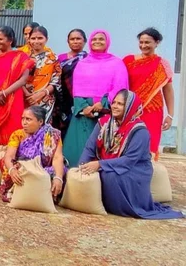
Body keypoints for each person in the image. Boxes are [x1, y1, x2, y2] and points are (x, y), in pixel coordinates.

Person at [79, 90, 183, 219]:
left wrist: (99, 164)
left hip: (135, 171)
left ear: (130, 107)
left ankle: (118, 206)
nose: (115, 106)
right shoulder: (104, 123)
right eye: (114, 102)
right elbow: (89, 148)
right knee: (85, 174)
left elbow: (129, 160)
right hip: (110, 165)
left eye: (120, 104)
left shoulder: (139, 131)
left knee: (110, 176)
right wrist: (81, 166)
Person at [63, 30, 128, 167]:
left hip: (107, 112)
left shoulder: (117, 63)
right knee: (77, 151)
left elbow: (120, 87)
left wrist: (103, 103)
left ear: (107, 42)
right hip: (83, 114)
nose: (97, 41)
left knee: (103, 149)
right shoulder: (83, 63)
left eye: (101, 39)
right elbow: (76, 89)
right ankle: (76, 176)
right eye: (94, 39)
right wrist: (84, 107)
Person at [123, 28, 175, 158]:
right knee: (128, 141)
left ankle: (147, 167)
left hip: (153, 109)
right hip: (131, 108)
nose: (143, 45)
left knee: (149, 143)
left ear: (157, 43)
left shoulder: (162, 65)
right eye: (141, 42)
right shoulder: (128, 61)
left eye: (147, 42)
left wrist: (170, 115)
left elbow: (168, 90)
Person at [0, 106, 65, 203]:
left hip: (43, 170)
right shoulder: (17, 135)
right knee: (6, 164)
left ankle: (45, 196)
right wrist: (12, 170)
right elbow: (9, 156)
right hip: (23, 170)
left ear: (40, 122)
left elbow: (57, 158)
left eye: (28, 119)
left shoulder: (52, 135)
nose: (24, 123)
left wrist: (58, 178)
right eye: (23, 119)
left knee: (59, 171)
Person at [23, 26, 61, 122]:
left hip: (45, 101)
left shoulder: (53, 58)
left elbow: (55, 82)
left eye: (40, 38)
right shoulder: (23, 57)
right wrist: (28, 96)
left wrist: (41, 94)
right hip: (25, 99)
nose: (36, 41)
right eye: (33, 38)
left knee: (42, 127)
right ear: (29, 39)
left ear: (46, 39)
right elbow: (16, 79)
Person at [55, 29, 88, 139]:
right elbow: (55, 77)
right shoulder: (60, 58)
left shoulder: (88, 59)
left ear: (85, 41)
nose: (75, 41)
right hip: (63, 99)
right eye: (72, 39)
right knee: (63, 129)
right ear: (68, 41)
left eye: (78, 39)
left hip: (82, 98)